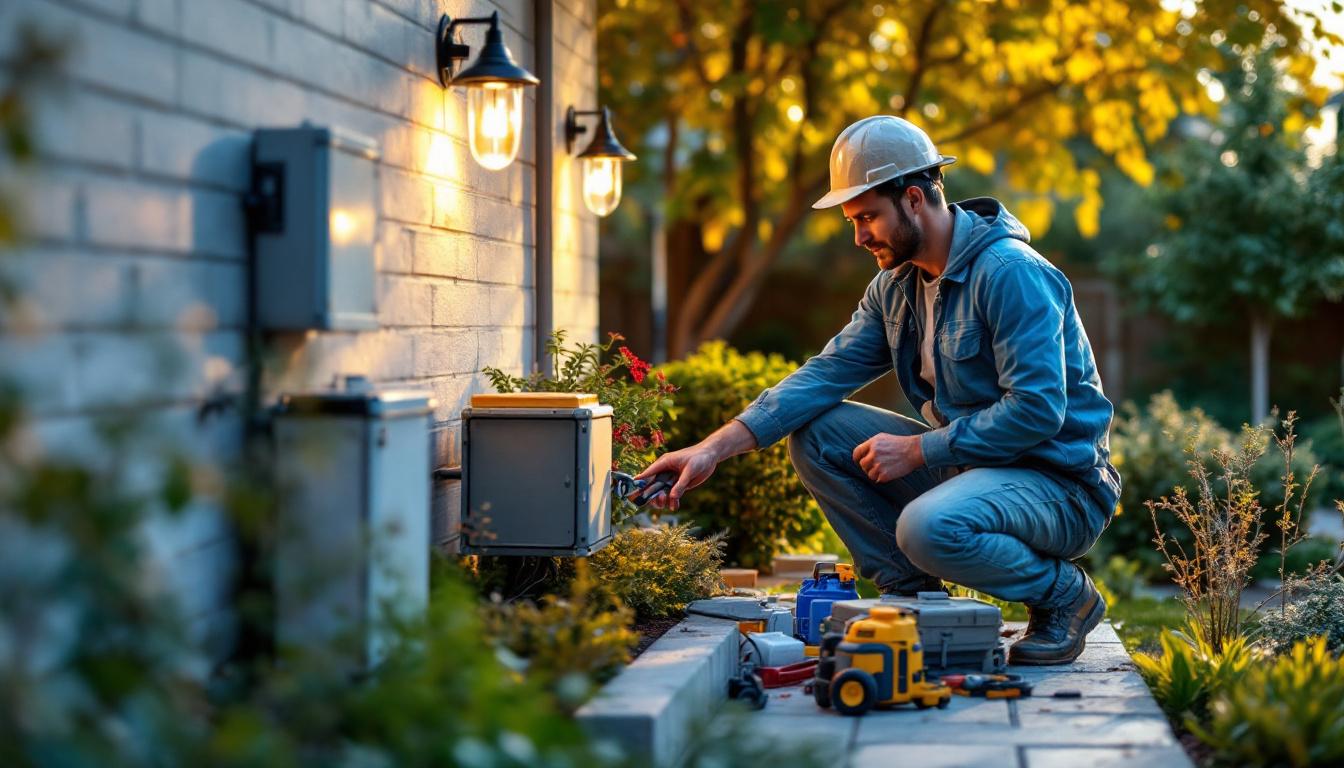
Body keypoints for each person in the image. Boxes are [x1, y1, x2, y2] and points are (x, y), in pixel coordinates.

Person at [636, 115, 1121, 665]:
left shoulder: (1009, 272)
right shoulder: (895, 287)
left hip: (1058, 485)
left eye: (868, 217)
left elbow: (1036, 411)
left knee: (927, 526)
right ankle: (916, 598)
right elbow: (824, 375)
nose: (859, 236)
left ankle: (1064, 598)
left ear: (914, 199)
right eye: (852, 220)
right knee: (817, 433)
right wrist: (710, 449)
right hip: (975, 472)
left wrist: (918, 450)